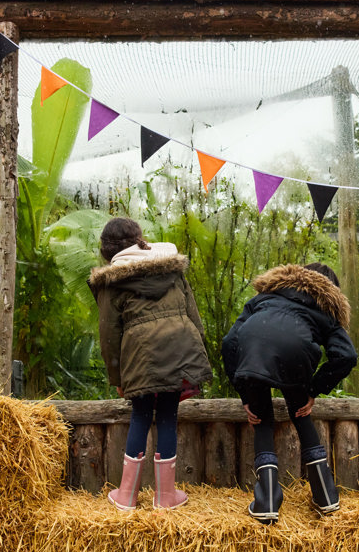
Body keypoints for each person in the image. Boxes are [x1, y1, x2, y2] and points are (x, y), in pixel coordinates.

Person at [88, 217, 212, 510]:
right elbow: (194, 318)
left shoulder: (112, 281)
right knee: (168, 414)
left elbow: (109, 335)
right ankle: (166, 497)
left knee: (141, 414)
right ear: (140, 239)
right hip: (179, 349)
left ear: (107, 249)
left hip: (140, 355)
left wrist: (117, 378)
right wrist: (194, 356)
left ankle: (127, 496)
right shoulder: (171, 268)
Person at [222, 263, 357, 524]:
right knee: (301, 414)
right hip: (296, 355)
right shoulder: (324, 308)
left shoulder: (262, 297)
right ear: (331, 289)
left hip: (253, 351)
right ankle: (326, 498)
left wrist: (245, 396)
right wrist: (314, 389)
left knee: (261, 422)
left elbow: (230, 342)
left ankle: (267, 504)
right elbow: (347, 356)